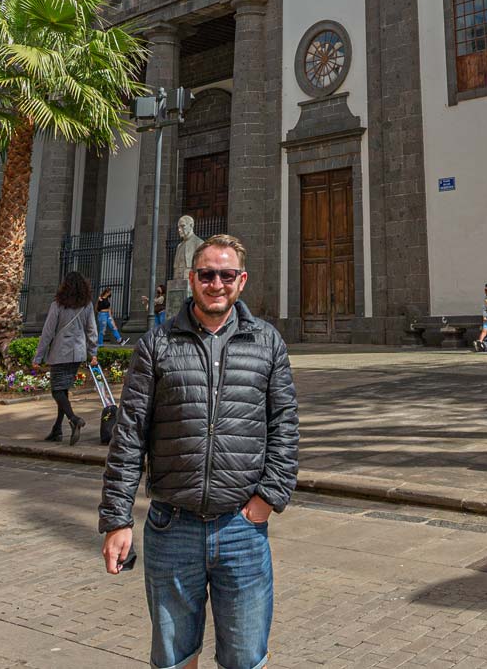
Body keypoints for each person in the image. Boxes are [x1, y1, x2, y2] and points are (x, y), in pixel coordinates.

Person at [101, 233, 299, 669]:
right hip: (172, 527)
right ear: (191, 278)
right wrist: (118, 518)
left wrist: (269, 498)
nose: (216, 283)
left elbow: (284, 427)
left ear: (241, 280)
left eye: (226, 275)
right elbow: (129, 433)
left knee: (245, 659)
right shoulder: (157, 344)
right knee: (174, 658)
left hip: (242, 530)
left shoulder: (267, 343)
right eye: (206, 274)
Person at [33, 271, 100, 444]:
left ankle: (74, 419)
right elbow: (92, 330)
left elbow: (47, 333)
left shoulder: (57, 305)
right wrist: (93, 352)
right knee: (63, 391)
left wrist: (38, 357)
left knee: (57, 391)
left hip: (60, 352)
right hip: (77, 353)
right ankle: (57, 429)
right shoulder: (87, 305)